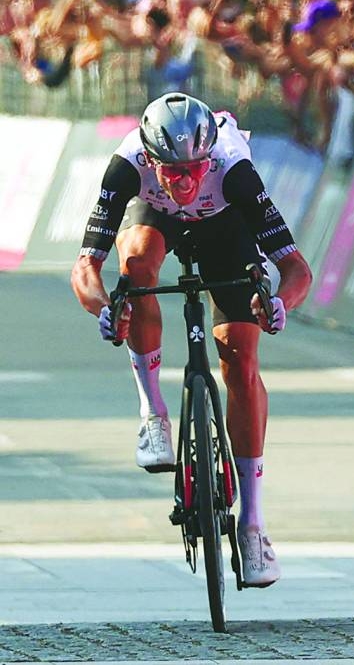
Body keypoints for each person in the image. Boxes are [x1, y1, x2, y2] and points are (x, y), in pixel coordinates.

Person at [70, 92, 313, 587]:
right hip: (153, 221)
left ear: (210, 158)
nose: (184, 182)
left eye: (194, 170)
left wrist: (281, 302)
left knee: (242, 364)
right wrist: (105, 307)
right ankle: (153, 412)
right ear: (149, 158)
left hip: (225, 227)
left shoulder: (233, 170)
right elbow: (86, 266)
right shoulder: (126, 166)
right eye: (171, 172)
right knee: (135, 270)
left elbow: (296, 269)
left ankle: (253, 524)